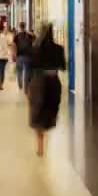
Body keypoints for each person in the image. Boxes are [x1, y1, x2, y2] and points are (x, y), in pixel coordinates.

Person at [28, 23, 66, 157]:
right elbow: (62, 66)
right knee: (50, 109)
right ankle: (44, 136)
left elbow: (31, 67)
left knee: (37, 112)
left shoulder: (35, 48)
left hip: (38, 82)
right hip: (53, 82)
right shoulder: (58, 49)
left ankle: (40, 143)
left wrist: (27, 86)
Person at [14, 22, 34, 93]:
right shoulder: (29, 35)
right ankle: (26, 88)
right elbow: (35, 40)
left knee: (19, 71)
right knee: (27, 72)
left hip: (19, 56)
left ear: (19, 27)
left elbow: (14, 46)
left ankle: (20, 85)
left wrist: (14, 55)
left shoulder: (16, 36)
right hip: (28, 56)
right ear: (25, 26)